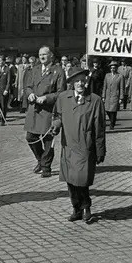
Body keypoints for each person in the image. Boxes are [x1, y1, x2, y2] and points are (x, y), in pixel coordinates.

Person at [51, 66, 106, 224]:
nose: (80, 84)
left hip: (85, 146)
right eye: (77, 81)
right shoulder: (63, 97)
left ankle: (86, 207)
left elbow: (100, 127)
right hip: (68, 145)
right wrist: (56, 125)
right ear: (72, 83)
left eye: (83, 80)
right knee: (70, 179)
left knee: (81, 179)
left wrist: (100, 149)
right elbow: (57, 115)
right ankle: (76, 208)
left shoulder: (94, 100)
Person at [24, 46, 66, 178]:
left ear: (51, 56)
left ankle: (46, 167)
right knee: (30, 137)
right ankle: (41, 160)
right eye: (40, 54)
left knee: (48, 140)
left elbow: (61, 93)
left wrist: (46, 98)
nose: (41, 57)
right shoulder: (35, 69)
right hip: (34, 110)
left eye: (44, 54)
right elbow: (28, 86)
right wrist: (30, 94)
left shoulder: (58, 71)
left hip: (49, 111)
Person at [102, 60, 125, 130]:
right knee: (107, 110)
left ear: (116, 68)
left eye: (114, 68)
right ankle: (112, 120)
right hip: (108, 95)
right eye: (111, 68)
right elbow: (104, 86)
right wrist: (103, 96)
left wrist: (121, 98)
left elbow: (122, 88)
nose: (113, 69)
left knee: (113, 111)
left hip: (115, 95)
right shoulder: (107, 75)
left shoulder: (120, 76)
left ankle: (112, 124)